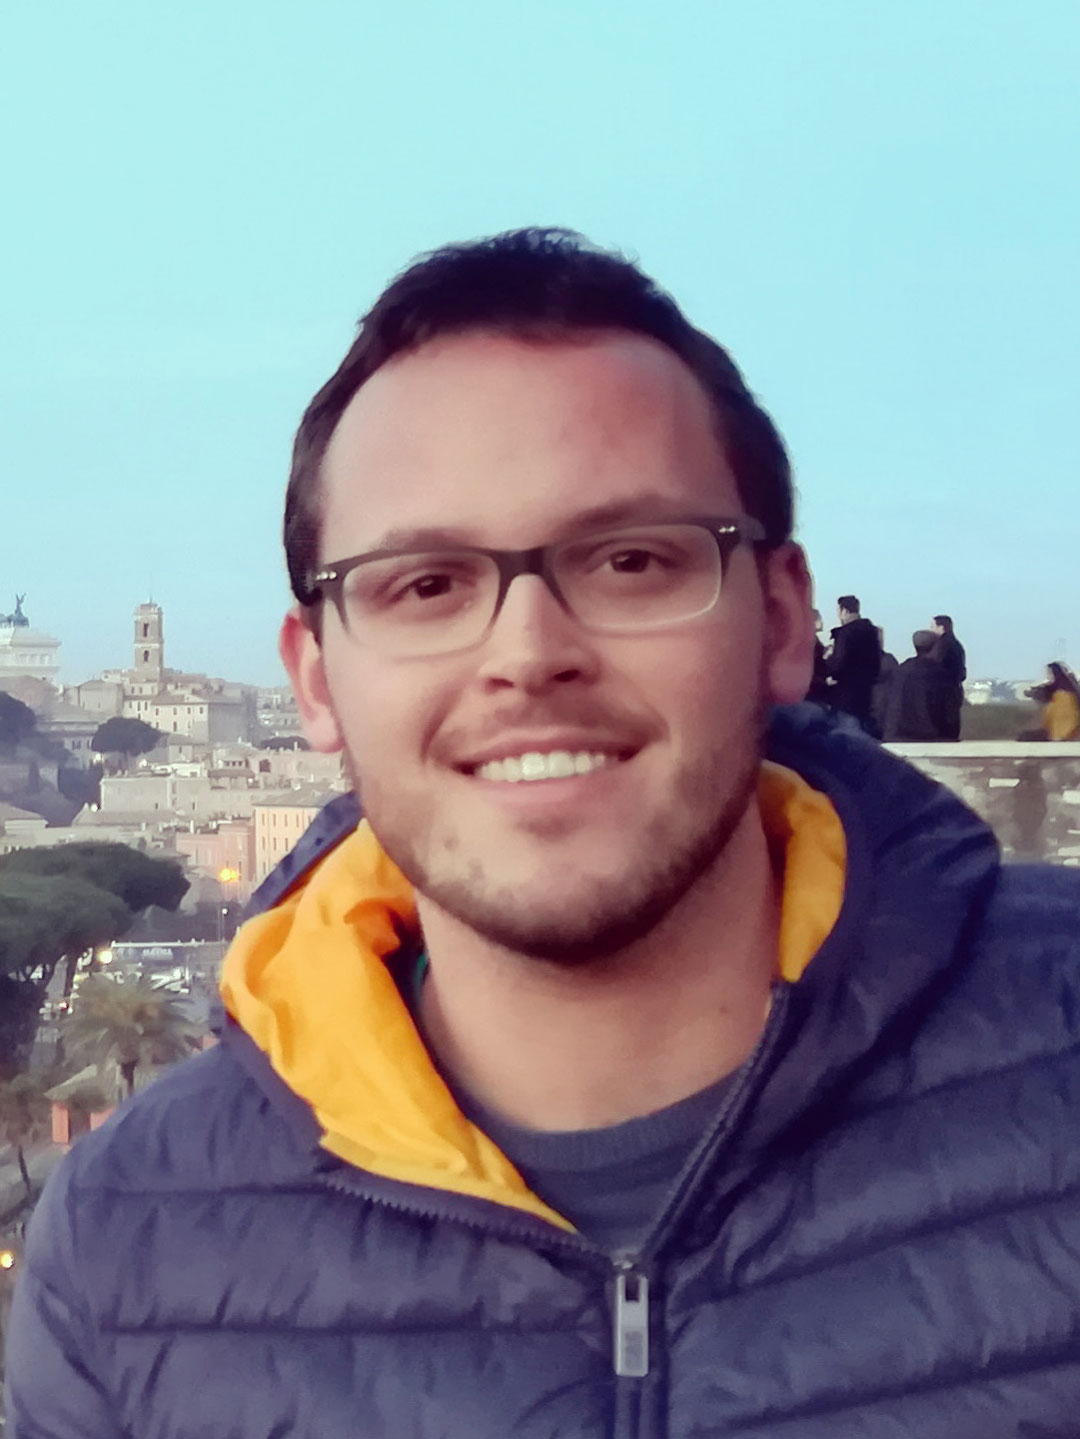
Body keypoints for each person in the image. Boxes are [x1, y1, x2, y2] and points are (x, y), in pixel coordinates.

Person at [10, 230, 1080, 1438]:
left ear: (784, 621)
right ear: (314, 680)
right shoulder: (122, 1250)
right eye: (425, 584)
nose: (527, 653)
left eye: (630, 560)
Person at [825, 594, 882, 732]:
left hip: (846, 691)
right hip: (866, 690)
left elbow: (839, 662)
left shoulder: (845, 633)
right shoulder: (872, 632)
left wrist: (828, 669)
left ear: (844, 610)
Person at [881, 629, 952, 741]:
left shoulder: (902, 670)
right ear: (935, 647)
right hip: (928, 736)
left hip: (898, 734)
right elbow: (945, 709)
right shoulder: (937, 673)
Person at [930, 613, 966, 740]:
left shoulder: (942, 646)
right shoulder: (956, 645)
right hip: (954, 691)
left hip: (943, 693)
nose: (930, 630)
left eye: (932, 626)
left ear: (941, 628)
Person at [1026, 661, 1080, 741]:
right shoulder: (1063, 683)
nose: (1048, 674)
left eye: (1050, 672)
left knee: (1061, 722)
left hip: (1065, 707)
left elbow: (1049, 689)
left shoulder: (1064, 686)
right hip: (1060, 706)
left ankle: (1060, 736)